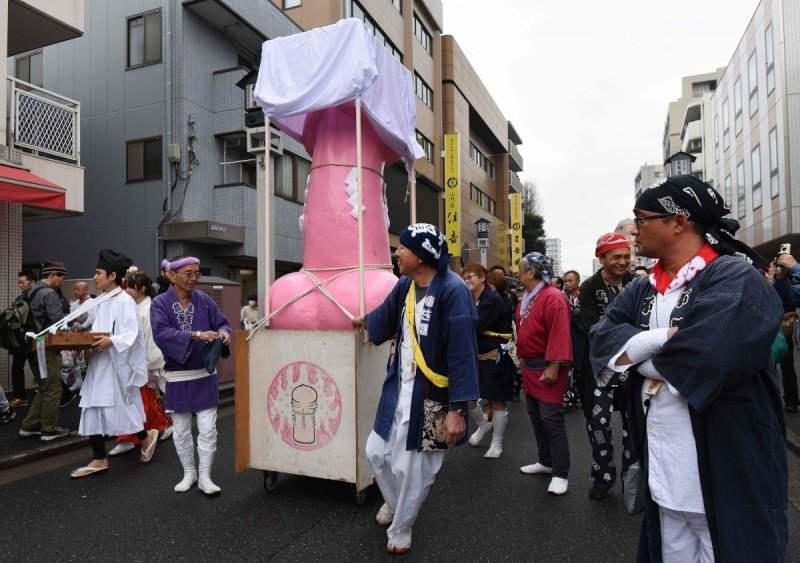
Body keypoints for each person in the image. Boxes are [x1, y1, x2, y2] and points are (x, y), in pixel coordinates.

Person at [590, 175, 787, 562]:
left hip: (726, 464)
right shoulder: (643, 289)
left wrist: (635, 358)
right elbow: (601, 338)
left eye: (641, 217)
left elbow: (710, 355)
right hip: (664, 468)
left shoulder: (735, 276)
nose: (633, 229)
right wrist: (664, 339)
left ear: (678, 222)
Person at [354, 223, 478, 554]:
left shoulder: (454, 291)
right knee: (376, 452)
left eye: (403, 248)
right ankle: (397, 505)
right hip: (399, 386)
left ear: (421, 256)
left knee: (414, 469)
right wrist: (364, 320)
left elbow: (463, 354)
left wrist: (457, 411)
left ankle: (402, 527)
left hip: (433, 394)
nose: (397, 252)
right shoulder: (406, 285)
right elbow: (384, 316)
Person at [69, 250, 159, 478]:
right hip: (101, 363)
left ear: (112, 276)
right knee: (93, 406)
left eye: (98, 273)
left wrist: (111, 340)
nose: (94, 278)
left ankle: (146, 436)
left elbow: (132, 334)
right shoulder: (104, 300)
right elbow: (100, 330)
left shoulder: (124, 301)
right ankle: (99, 458)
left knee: (122, 406)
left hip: (115, 365)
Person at [151, 256, 232, 496]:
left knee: (208, 428)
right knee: (182, 429)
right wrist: (195, 335)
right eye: (188, 273)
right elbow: (161, 333)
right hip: (178, 375)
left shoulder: (205, 300)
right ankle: (189, 473)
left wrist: (224, 334)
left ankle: (205, 476)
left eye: (197, 273)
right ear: (172, 275)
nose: (194, 278)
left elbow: (223, 323)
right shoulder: (159, 303)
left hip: (204, 374)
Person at [576, 232, 635, 500]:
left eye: (626, 256)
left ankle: (632, 480)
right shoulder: (589, 287)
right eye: (616, 257)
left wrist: (609, 322)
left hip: (633, 363)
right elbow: (592, 329)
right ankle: (603, 476)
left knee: (632, 423)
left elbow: (643, 325)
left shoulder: (637, 284)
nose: (623, 262)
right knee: (598, 422)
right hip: (602, 365)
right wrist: (624, 327)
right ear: (602, 258)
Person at [516, 252, 572, 495]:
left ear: (531, 272)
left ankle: (560, 472)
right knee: (536, 416)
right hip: (530, 366)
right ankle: (545, 461)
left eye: (521, 268)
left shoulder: (554, 296)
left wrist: (554, 365)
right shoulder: (527, 296)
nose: (518, 272)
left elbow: (560, 332)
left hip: (548, 366)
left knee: (551, 420)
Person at [109, 270, 173, 456]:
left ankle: (132, 436)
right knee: (142, 401)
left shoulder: (149, 308)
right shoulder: (133, 307)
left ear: (142, 289)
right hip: (132, 362)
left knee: (137, 401)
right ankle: (155, 428)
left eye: (130, 287)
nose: (126, 290)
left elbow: (152, 341)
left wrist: (148, 366)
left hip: (143, 363)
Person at [463, 263, 513, 458]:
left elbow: (474, 326)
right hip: (474, 356)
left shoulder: (491, 300)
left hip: (494, 356)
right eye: (465, 277)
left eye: (471, 276)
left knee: (496, 400)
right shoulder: (469, 298)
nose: (467, 280)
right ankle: (483, 426)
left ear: (483, 277)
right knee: (469, 398)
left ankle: (497, 443)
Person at [18, 259, 70, 441]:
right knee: (53, 389)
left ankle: (29, 425)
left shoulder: (32, 290)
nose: (62, 281)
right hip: (46, 347)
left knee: (43, 387)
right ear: (53, 274)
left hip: (32, 345)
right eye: (61, 276)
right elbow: (58, 322)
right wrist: (72, 321)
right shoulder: (49, 294)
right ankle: (49, 429)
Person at [770, 253, 800, 411]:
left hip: (785, 329)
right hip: (772, 331)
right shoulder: (776, 281)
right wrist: (780, 279)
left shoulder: (795, 272)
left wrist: (795, 267)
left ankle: (792, 401)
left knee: (787, 366)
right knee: (772, 367)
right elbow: (790, 299)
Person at [9, 272, 36, 407]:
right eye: (19, 282)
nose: (20, 285)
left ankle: (20, 396)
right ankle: (19, 396)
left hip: (31, 337)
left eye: (22, 282)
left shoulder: (35, 296)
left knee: (39, 367)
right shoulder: (22, 297)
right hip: (22, 338)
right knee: (19, 366)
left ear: (32, 283)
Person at [562, 270, 582, 409]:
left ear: (578, 281)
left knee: (580, 368)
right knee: (566, 368)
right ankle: (568, 398)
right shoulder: (562, 297)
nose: (567, 284)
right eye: (565, 281)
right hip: (565, 337)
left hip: (581, 337)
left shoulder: (585, 297)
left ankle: (580, 395)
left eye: (570, 280)